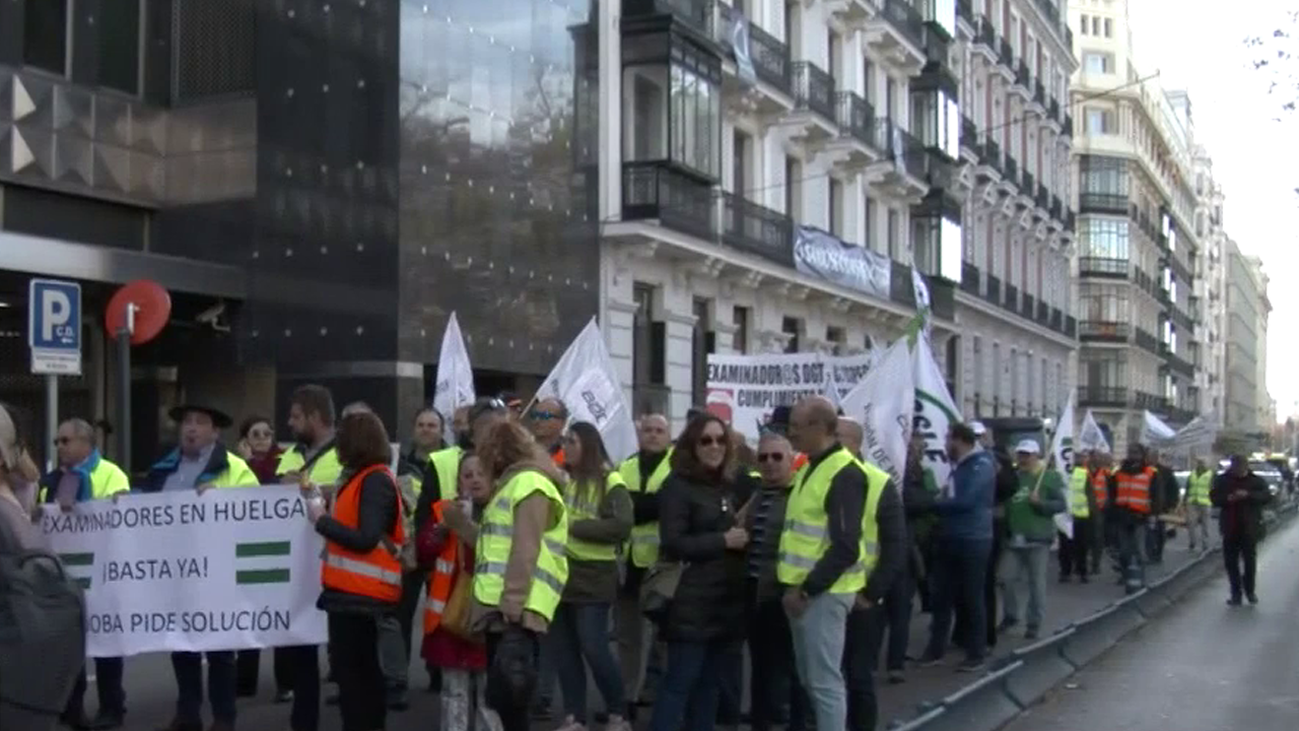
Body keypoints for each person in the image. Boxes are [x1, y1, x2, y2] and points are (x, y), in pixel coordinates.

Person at [141, 404, 258, 731]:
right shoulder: (163, 469)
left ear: (215, 432)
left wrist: (223, 497)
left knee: (220, 646)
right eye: (186, 422)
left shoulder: (234, 467)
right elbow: (145, 509)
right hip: (176, 568)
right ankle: (188, 712)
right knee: (182, 643)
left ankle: (223, 717)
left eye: (200, 423)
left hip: (219, 568)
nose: (191, 428)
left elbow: (254, 511)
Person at [454, 419, 569, 731]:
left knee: (514, 701)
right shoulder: (518, 484)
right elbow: (500, 547)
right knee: (508, 701)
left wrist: (513, 605)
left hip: (514, 611)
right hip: (507, 609)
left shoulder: (528, 484)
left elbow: (525, 549)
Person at [647, 414, 746, 731]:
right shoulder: (678, 485)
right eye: (706, 440)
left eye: (720, 439)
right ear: (692, 445)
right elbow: (673, 542)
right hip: (690, 601)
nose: (715, 446)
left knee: (708, 688)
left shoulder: (725, 485)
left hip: (723, 602)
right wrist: (723, 540)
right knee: (679, 684)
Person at [305, 411, 403, 731]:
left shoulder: (374, 480)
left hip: (362, 593)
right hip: (352, 592)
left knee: (356, 676)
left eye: (342, 439)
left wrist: (321, 519)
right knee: (358, 674)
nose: (337, 446)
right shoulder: (364, 478)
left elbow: (364, 538)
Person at [778, 398, 871, 731]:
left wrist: (806, 589)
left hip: (823, 593)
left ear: (820, 427)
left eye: (796, 427)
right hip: (808, 592)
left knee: (824, 683)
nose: (791, 434)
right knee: (812, 679)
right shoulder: (812, 465)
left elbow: (844, 546)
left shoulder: (843, 473)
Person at [40, 418, 130, 730]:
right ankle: (72, 707)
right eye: (58, 442)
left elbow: (125, 517)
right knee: (70, 645)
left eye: (65, 441)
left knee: (106, 644)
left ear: (86, 444)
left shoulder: (110, 473)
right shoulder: (51, 480)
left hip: (102, 571)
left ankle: (112, 707)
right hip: (65, 573)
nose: (60, 447)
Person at [551, 423, 634, 731]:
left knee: (594, 647)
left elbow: (622, 525)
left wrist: (574, 526)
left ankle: (618, 712)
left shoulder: (610, 480)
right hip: (561, 574)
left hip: (595, 576)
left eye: (571, 441)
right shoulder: (563, 479)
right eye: (564, 441)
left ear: (587, 445)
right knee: (565, 651)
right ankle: (575, 716)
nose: (566, 447)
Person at [275, 385, 344, 726]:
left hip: (337, 564)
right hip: (297, 568)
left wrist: (314, 491)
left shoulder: (344, 452)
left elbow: (352, 493)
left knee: (344, 651)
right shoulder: (290, 455)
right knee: (301, 644)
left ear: (316, 417)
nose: (289, 422)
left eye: (297, 416)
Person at [418, 453, 490, 731]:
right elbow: (424, 551)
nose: (474, 480)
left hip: (486, 612)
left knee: (488, 693)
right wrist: (442, 529)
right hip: (450, 614)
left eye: (480, 474)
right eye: (467, 475)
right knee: (453, 691)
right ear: (458, 480)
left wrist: (468, 525)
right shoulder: (443, 509)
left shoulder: (501, 510)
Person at [743, 432, 807, 731]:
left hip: (787, 593)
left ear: (791, 459)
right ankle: (761, 723)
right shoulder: (759, 494)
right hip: (756, 593)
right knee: (761, 667)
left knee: (793, 669)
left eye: (777, 457)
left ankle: (797, 723)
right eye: (763, 457)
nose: (769, 464)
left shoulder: (800, 494)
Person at [919, 422, 995, 671]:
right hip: (951, 537)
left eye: (948, 438)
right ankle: (935, 650)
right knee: (941, 597)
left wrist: (933, 504)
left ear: (960, 440)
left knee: (972, 597)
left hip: (972, 539)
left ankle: (976, 652)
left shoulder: (981, 465)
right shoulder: (962, 467)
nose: (944, 444)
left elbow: (965, 500)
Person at [615, 413, 673, 708]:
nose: (652, 435)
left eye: (659, 430)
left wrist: (637, 504)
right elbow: (618, 506)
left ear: (668, 435)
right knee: (628, 639)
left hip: (659, 567)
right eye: (647, 430)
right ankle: (628, 697)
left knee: (659, 641)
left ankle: (654, 695)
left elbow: (663, 506)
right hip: (627, 567)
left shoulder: (675, 466)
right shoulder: (625, 465)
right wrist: (644, 505)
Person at [233, 415, 285, 700]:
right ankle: (245, 681)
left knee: (280, 616)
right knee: (248, 614)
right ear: (245, 441)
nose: (263, 438)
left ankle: (285, 683)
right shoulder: (236, 466)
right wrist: (246, 462)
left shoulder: (286, 461)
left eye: (268, 433)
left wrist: (251, 463)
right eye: (256, 434)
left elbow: (273, 490)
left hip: (279, 550)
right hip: (248, 550)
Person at [999, 440, 1065, 640]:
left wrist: (1041, 504)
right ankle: (1011, 615)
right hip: (1014, 538)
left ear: (1036, 456)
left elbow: (1061, 504)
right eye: (1020, 454)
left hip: (1038, 539)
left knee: (1036, 583)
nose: (1023, 458)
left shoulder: (1048, 477)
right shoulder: (1014, 477)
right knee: (1005, 578)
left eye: (1027, 455)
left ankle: (1034, 622)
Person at [1210, 455, 1271, 605]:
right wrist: (1228, 498)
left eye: (1241, 468)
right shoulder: (1223, 480)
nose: (1238, 471)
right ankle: (1236, 593)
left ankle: (1250, 591)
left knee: (1250, 561)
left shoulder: (1255, 481)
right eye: (1235, 468)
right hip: (1230, 528)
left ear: (1245, 467)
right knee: (1231, 563)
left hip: (1249, 528)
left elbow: (1267, 497)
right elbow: (1214, 498)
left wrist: (1248, 495)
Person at [1108, 443, 1159, 594]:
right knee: (1123, 551)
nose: (1133, 455)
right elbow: (1112, 493)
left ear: (1142, 455)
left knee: (1140, 551)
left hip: (1140, 517)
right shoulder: (1118, 473)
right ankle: (1125, 575)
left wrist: (1153, 514)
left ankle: (1139, 579)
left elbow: (1155, 495)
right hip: (1122, 516)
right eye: (1131, 452)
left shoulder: (1150, 473)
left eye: (1136, 453)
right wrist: (1112, 514)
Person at [1058, 450, 1097, 583]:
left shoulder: (1083, 473)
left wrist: (1092, 511)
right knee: (1065, 546)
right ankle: (1065, 571)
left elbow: (1090, 493)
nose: (1079, 459)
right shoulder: (1061, 472)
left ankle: (1082, 571)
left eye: (1080, 457)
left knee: (1082, 546)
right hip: (1065, 515)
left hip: (1081, 515)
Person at [1183, 458, 1215, 552]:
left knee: (1205, 525)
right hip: (1192, 502)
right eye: (1199, 463)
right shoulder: (1192, 474)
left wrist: (1213, 499)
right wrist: (1185, 500)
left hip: (1205, 502)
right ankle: (1192, 542)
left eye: (1203, 463)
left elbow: (1214, 489)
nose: (1201, 465)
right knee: (1191, 523)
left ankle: (1205, 544)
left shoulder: (1210, 475)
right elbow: (1188, 487)